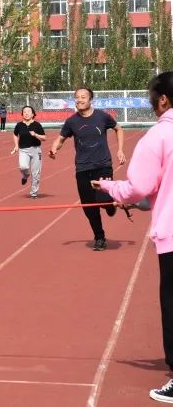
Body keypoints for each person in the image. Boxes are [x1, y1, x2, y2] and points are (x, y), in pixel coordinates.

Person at [92, 72, 173, 402]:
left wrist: (109, 187)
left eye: (152, 97)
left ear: (163, 99)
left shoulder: (158, 136)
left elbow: (140, 187)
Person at [49, 87, 126, 251]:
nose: (79, 100)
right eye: (77, 97)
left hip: (103, 165)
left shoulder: (102, 116)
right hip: (83, 168)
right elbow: (61, 139)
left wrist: (120, 149)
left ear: (91, 100)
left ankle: (109, 205)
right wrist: (54, 148)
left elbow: (118, 128)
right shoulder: (71, 122)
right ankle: (99, 237)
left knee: (103, 200)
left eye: (83, 97)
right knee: (89, 206)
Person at [10, 106, 47, 199]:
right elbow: (15, 134)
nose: (26, 113)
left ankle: (34, 192)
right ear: (22, 114)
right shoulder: (19, 125)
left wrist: (35, 134)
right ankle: (25, 175)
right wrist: (16, 146)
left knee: (36, 173)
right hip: (23, 150)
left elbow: (44, 138)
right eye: (24, 112)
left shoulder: (37, 125)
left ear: (33, 114)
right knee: (23, 167)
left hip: (35, 150)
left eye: (28, 112)